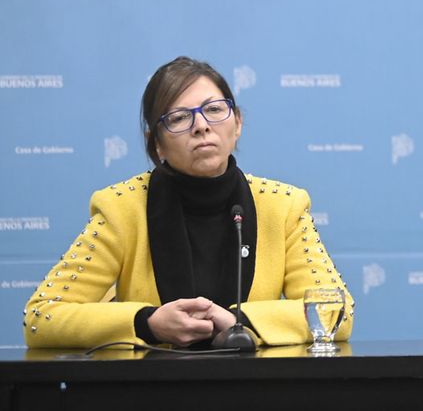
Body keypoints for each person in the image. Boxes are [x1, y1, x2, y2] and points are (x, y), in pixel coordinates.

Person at [23, 56, 354, 349]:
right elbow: (41, 316)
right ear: (157, 146)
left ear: (237, 123)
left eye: (213, 109)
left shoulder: (283, 206)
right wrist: (147, 324)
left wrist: (239, 321)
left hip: (255, 390)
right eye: (179, 118)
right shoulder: (120, 209)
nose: (201, 126)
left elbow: (336, 311)